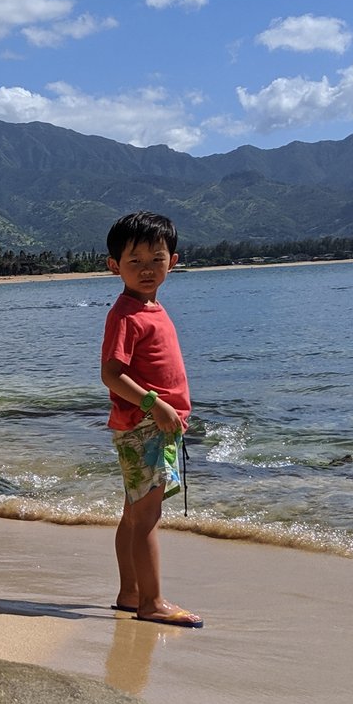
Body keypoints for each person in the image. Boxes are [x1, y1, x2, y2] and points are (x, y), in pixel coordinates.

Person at [100, 211, 202, 628]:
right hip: (144, 426)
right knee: (146, 518)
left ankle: (130, 592)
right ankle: (152, 602)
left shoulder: (151, 308)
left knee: (132, 513)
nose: (146, 270)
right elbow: (111, 374)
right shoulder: (126, 314)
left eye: (155, 260)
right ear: (114, 266)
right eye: (135, 261)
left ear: (172, 261)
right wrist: (155, 406)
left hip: (149, 425)